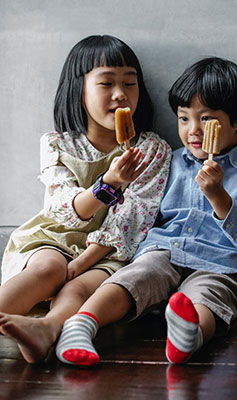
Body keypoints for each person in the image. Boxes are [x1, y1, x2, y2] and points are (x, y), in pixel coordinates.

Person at [50, 57, 237, 367]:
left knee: (211, 295)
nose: (193, 130)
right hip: (162, 250)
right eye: (183, 118)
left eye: (206, 119)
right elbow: (140, 210)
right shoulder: (168, 161)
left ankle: (191, 333)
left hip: (219, 262)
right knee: (135, 277)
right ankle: (80, 325)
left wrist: (219, 196)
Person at [0, 35, 171, 363]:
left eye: (130, 83)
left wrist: (78, 265)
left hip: (109, 251)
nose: (121, 94)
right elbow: (61, 207)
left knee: (77, 289)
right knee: (48, 269)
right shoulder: (57, 144)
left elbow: (133, 217)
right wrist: (108, 184)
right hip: (54, 238)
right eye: (106, 83)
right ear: (78, 90)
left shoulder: (150, 149)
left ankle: (47, 330)